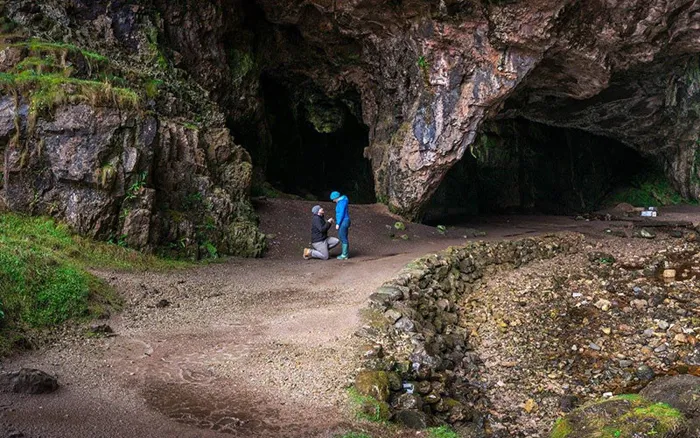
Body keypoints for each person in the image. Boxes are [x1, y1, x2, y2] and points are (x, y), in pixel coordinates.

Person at [330, 191, 350, 260]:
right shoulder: (342, 201)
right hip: (345, 221)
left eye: (333, 199)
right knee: (343, 237)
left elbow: (341, 214)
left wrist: (338, 223)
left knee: (343, 237)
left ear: (336, 198)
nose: (333, 201)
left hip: (343, 221)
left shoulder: (341, 203)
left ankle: (344, 255)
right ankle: (345, 254)